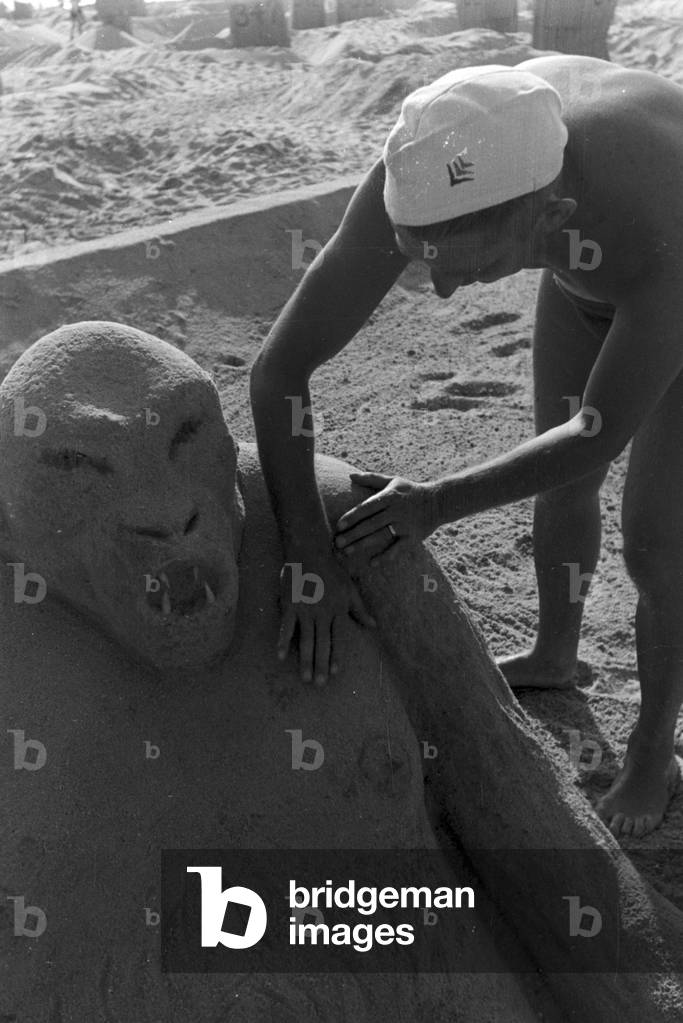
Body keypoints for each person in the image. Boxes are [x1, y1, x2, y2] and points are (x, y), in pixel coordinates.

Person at [250, 56, 683, 839]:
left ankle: (654, 752)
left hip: (664, 271)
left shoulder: (657, 213)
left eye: (476, 269)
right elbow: (280, 366)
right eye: (426, 265)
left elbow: (594, 435)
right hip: (587, 270)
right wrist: (304, 552)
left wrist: (439, 502)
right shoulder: (424, 165)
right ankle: (555, 653)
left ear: (547, 215)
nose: (445, 293)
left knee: (656, 543)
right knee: (555, 483)